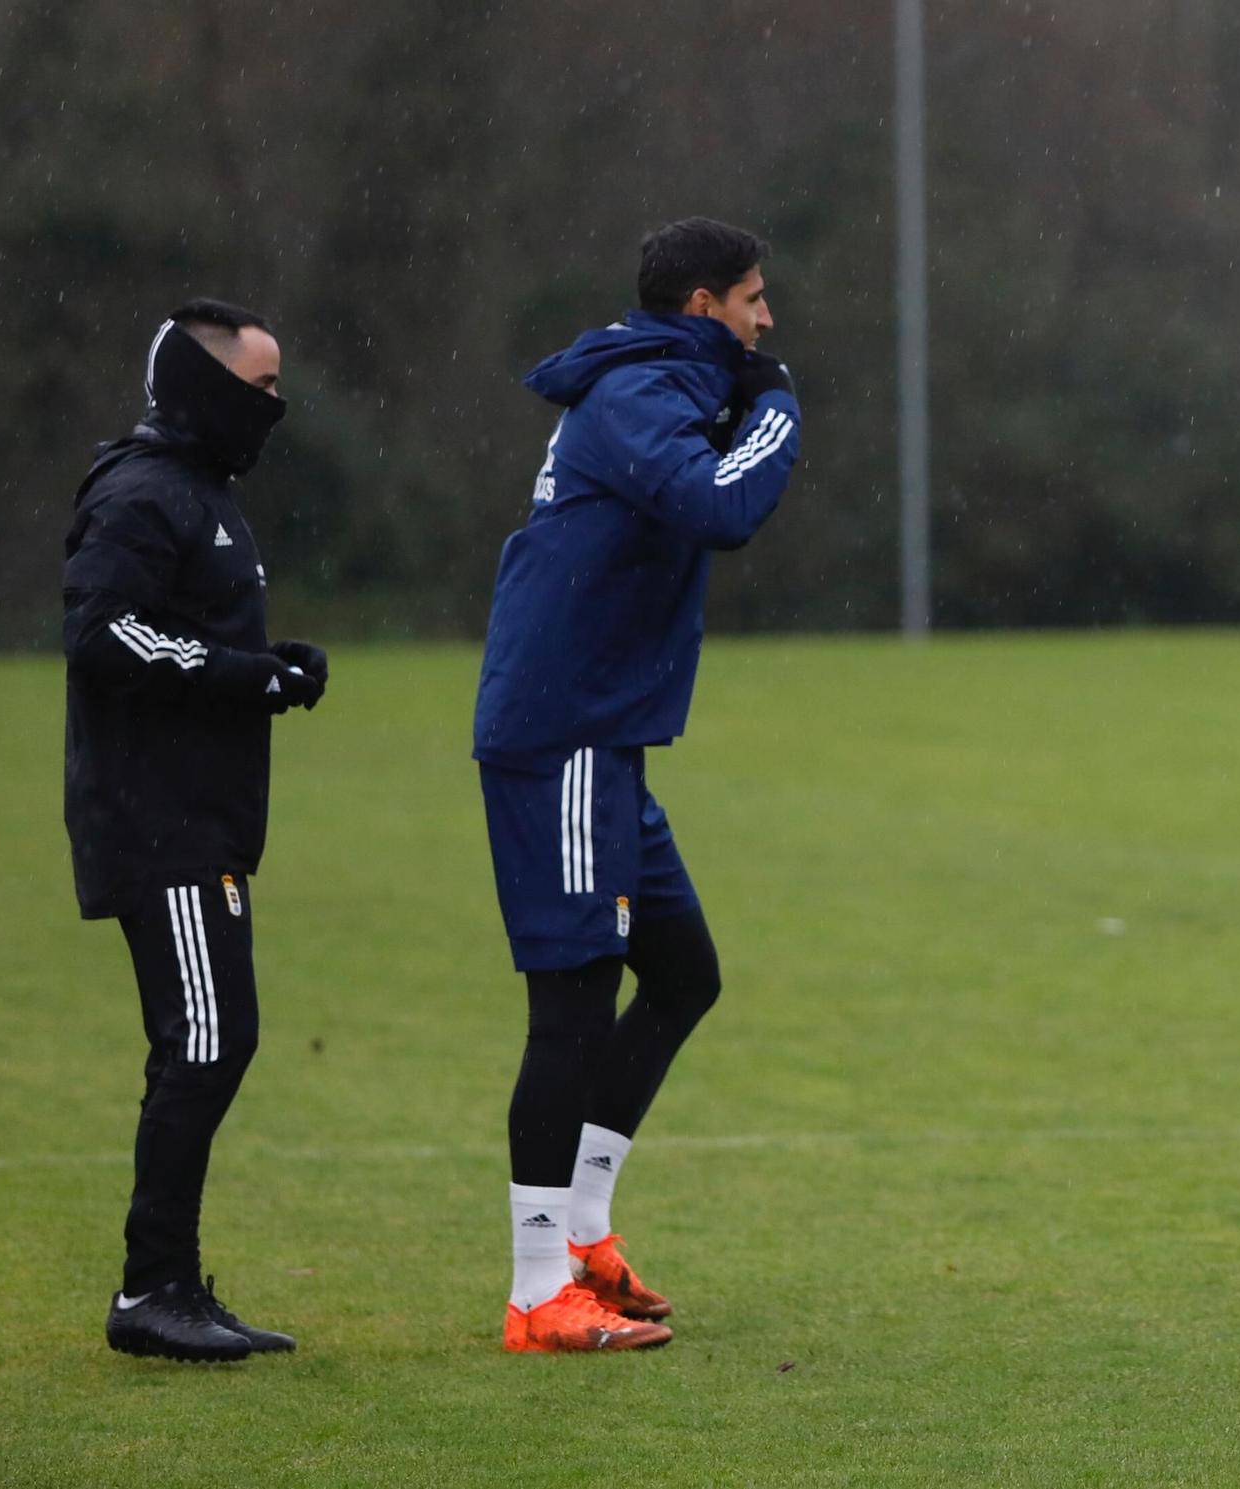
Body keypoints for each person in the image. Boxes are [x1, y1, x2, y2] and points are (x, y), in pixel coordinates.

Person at [473, 217, 801, 1353]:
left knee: (680, 973)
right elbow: (721, 507)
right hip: (564, 734)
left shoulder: (648, 378)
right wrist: (777, 407)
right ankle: (533, 1292)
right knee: (569, 1005)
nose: (768, 320)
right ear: (705, 305)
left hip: (601, 740)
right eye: (754, 299)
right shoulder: (634, 393)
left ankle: (582, 1236)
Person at [63, 299, 327, 1362]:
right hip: (160, 821)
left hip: (199, 817)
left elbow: (191, 635)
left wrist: (271, 668)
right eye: (262, 388)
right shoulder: (140, 492)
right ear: (209, 389)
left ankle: (164, 1283)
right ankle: (151, 1291)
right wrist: (242, 677)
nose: (276, 408)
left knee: (206, 1042)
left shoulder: (199, 493)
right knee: (208, 1043)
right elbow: (102, 631)